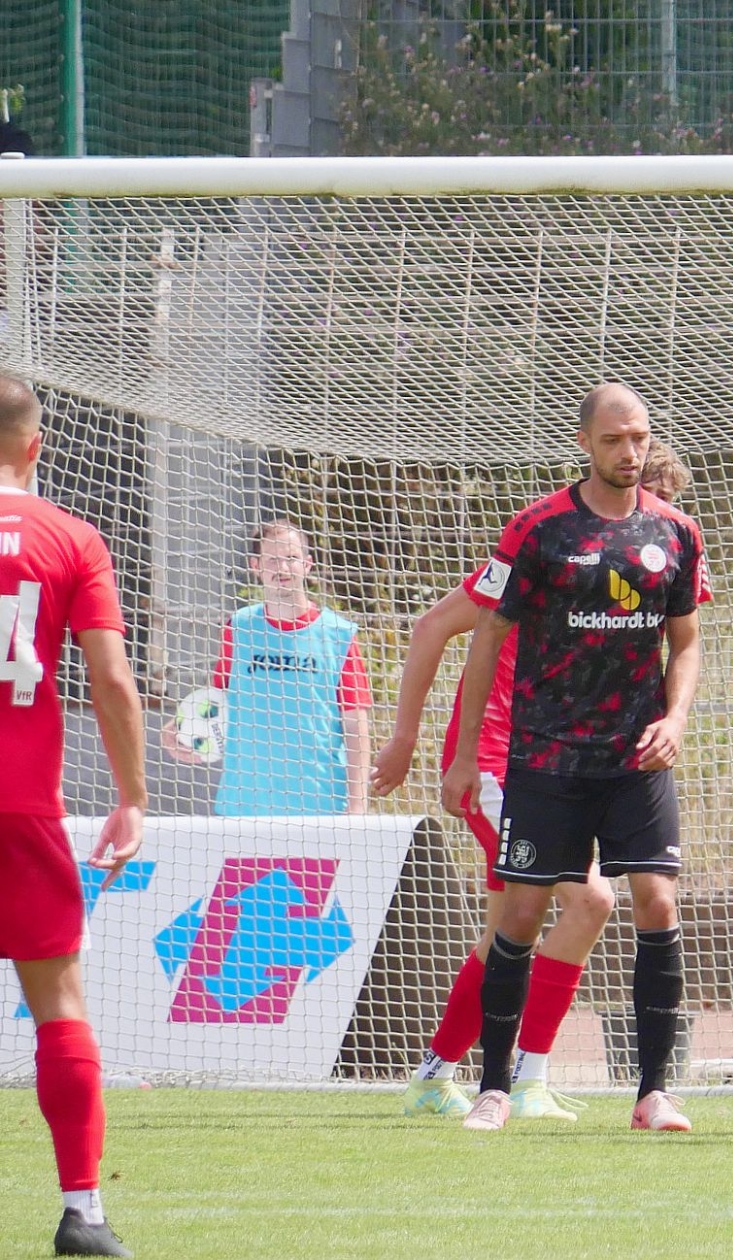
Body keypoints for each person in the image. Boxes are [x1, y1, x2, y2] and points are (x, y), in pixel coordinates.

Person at [373, 441, 694, 1121]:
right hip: (505, 758)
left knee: (510, 927)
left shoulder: (660, 556)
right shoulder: (547, 549)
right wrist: (406, 739)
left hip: (581, 761)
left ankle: (452, 1075)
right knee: (587, 902)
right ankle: (517, 1078)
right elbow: (432, 627)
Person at [442, 385, 709, 1134]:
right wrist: (463, 756)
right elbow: (487, 638)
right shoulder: (538, 529)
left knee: (658, 903)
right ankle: (495, 1088)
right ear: (585, 442)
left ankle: (653, 1093)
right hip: (547, 756)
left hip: (636, 758)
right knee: (522, 913)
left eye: (641, 437)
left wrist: (675, 717)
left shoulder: (677, 533)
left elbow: (686, 640)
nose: (631, 452)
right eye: (615, 439)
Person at [0, 375, 145, 1257]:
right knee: (57, 1000)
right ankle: (83, 1212)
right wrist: (131, 796)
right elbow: (113, 679)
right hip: (22, 804)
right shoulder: (71, 536)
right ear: (36, 445)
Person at [162, 519, 372, 816]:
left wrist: (357, 806)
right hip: (244, 808)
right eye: (272, 559)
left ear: (308, 564)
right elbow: (217, 698)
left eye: (291, 558)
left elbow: (355, 726)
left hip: (320, 809)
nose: (282, 568)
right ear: (255, 566)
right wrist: (182, 729)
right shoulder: (239, 628)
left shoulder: (339, 635)